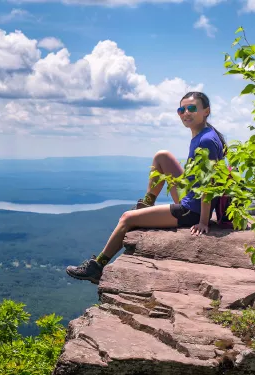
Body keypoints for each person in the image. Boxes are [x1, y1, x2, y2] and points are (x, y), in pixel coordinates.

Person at [66, 91, 226, 284]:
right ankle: (147, 205)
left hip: (191, 210)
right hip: (191, 197)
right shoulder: (204, 134)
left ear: (206, 111)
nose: (186, 113)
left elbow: (209, 183)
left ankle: (97, 266)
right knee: (162, 156)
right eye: (181, 109)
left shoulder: (206, 140)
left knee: (127, 219)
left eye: (192, 108)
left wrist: (203, 221)